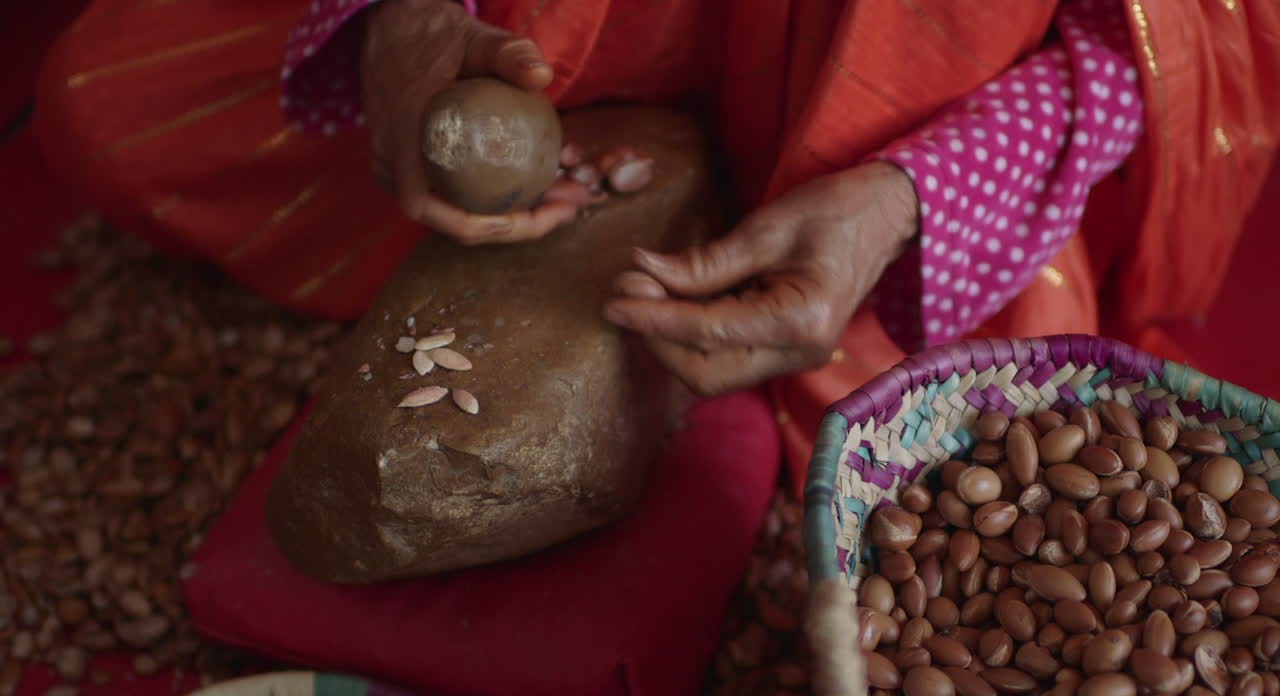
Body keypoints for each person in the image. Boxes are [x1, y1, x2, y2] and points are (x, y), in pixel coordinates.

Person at [34, 0, 1280, 495]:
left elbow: (1200, 29)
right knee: (112, 108)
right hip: (575, 27)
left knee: (975, 464)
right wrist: (409, 23)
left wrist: (910, 202)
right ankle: (651, 138)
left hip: (917, 90)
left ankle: (792, 212)